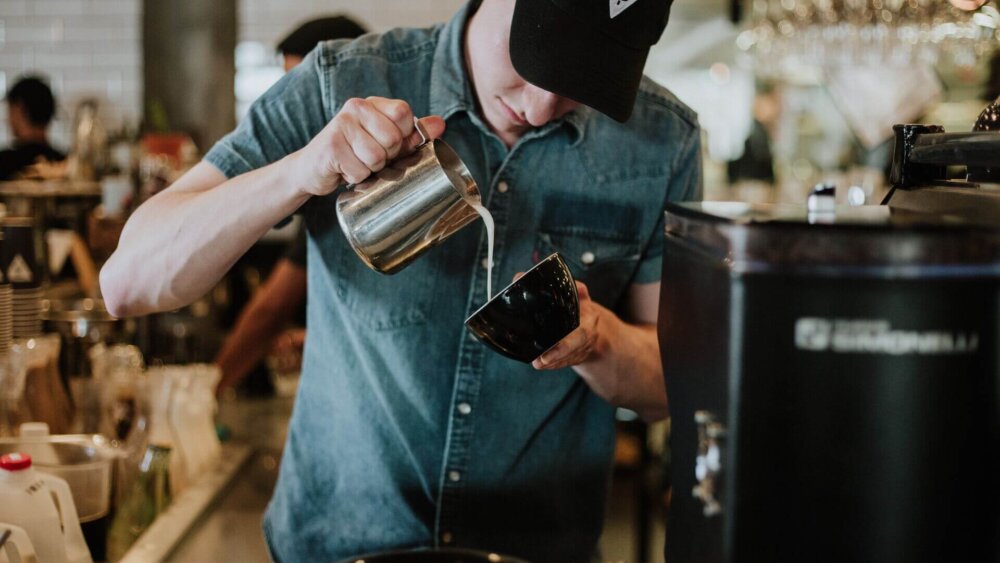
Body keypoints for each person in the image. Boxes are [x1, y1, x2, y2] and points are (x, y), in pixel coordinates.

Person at [100, 0, 701, 560]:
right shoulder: (342, 80)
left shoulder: (661, 144)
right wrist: (301, 171)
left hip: (534, 549)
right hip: (337, 546)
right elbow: (128, 282)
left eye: (582, 83)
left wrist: (597, 339)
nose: (540, 106)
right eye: (535, 57)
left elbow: (670, 388)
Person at [215, 15, 367, 395]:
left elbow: (271, 309)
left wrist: (207, 391)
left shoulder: (360, 180)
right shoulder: (328, 173)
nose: (297, 109)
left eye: (305, 89)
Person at [0, 76, 65, 181]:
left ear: (20, 108)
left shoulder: (5, 164)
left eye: (10, 110)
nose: (6, 118)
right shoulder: (65, 164)